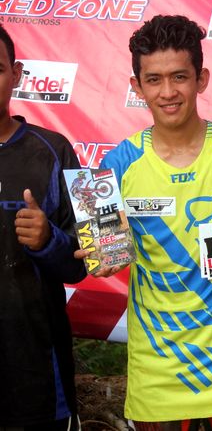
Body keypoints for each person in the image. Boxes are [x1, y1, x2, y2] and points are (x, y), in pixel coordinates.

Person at [85, 15, 212, 429]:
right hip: (158, 371)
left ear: (201, 79)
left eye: (179, 77)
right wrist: (101, 259)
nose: (168, 92)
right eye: (153, 80)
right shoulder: (115, 165)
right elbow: (101, 257)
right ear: (137, 86)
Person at [0, 24, 86, 429]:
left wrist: (49, 240)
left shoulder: (55, 149)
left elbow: (88, 260)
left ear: (16, 74)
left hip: (37, 383)